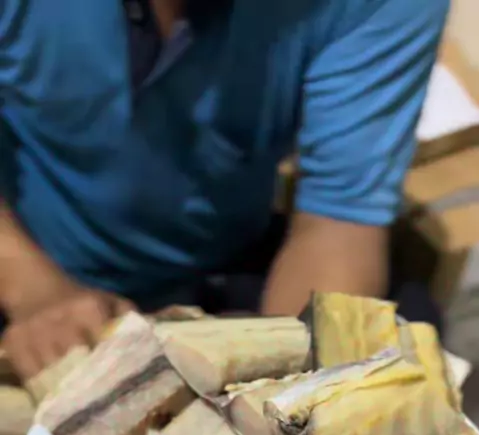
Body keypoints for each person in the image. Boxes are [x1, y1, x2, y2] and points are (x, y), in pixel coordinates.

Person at [0, 0, 449, 380]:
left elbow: (339, 221)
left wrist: (280, 401)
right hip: (24, 252)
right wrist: (35, 293)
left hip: (215, 268)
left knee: (407, 340)